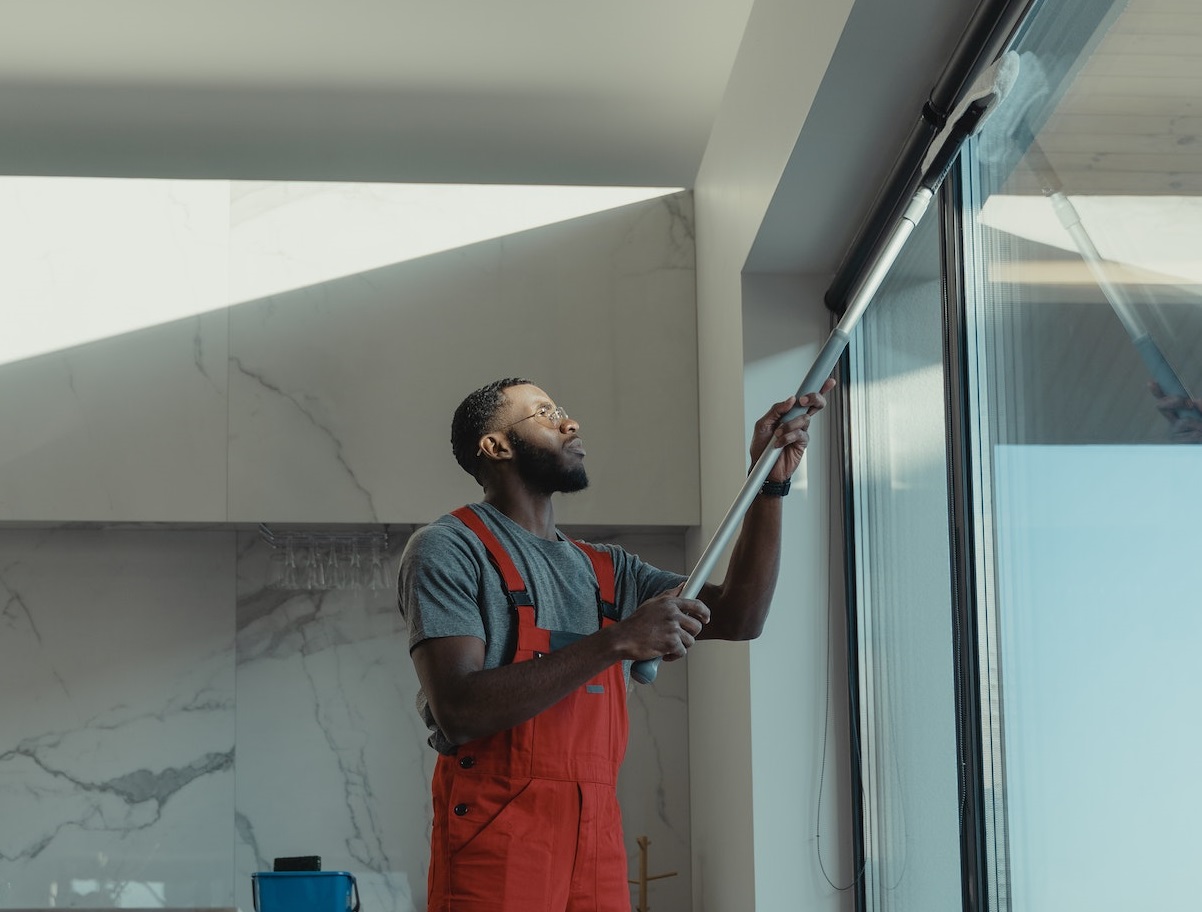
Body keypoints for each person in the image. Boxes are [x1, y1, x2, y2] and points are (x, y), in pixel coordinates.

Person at [398, 375, 834, 912]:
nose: (570, 422)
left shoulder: (608, 570)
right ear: (496, 446)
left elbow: (741, 616)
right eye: (545, 413)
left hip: (596, 833)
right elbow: (460, 710)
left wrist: (769, 484)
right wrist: (619, 640)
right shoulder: (449, 548)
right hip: (498, 836)